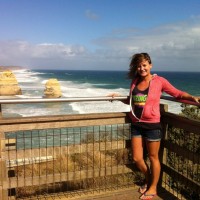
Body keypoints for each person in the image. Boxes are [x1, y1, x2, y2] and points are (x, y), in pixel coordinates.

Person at [109, 53, 200, 200]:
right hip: (136, 124)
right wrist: (118, 97)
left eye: (144, 65)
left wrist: (192, 98)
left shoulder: (159, 81)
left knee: (153, 158)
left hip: (152, 125)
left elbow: (177, 93)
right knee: (138, 158)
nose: (141, 68)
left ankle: (152, 188)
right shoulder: (135, 81)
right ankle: (150, 179)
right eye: (139, 65)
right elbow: (133, 100)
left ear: (150, 65)